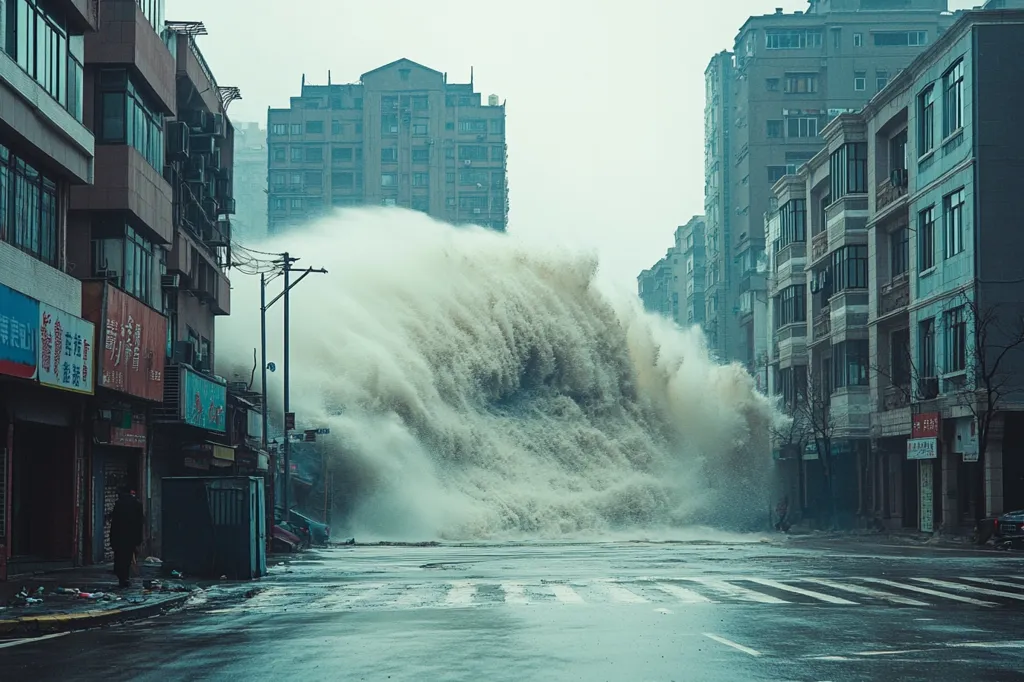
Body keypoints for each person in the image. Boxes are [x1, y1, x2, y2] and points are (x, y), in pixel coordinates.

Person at [109, 486, 145, 588]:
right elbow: (140, 522)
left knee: (119, 557)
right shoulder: (137, 504)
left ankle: (122, 577)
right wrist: (139, 538)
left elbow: (114, 523)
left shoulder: (119, 504)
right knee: (127, 557)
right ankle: (125, 577)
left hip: (119, 535)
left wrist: (112, 537)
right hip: (131, 536)